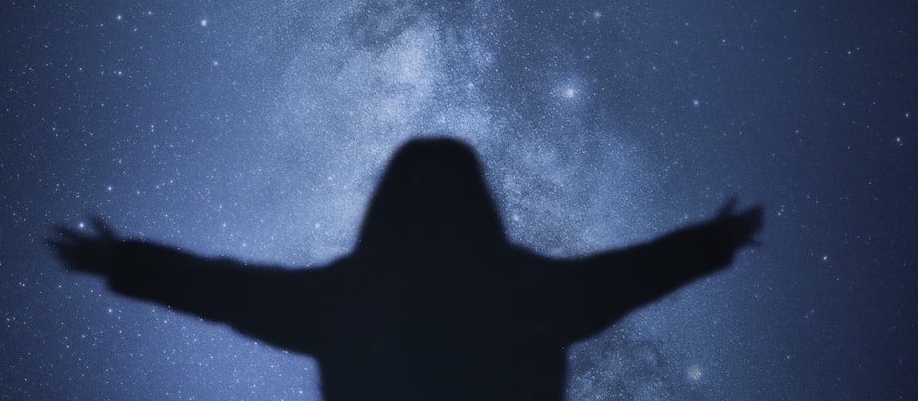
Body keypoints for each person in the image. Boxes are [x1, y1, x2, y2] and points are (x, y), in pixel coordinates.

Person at [49, 137, 763, 401]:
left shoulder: (343, 296)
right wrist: (715, 242)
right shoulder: (536, 290)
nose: (439, 195)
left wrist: (125, 262)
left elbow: (224, 290)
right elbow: (223, 289)